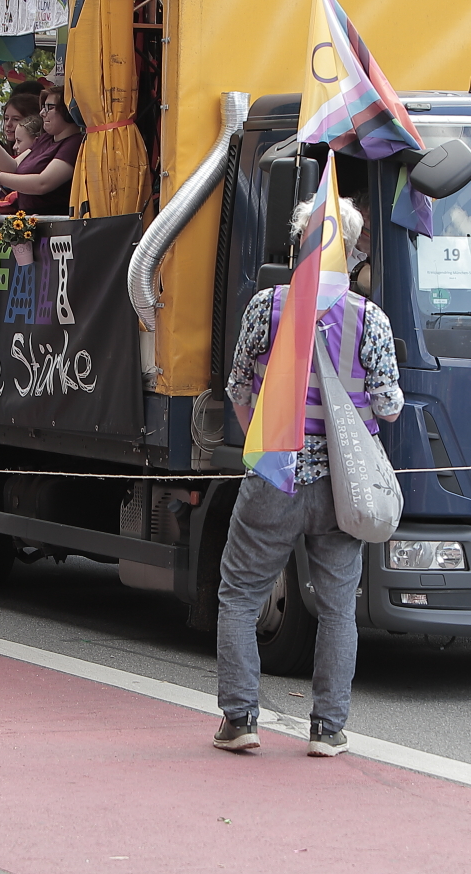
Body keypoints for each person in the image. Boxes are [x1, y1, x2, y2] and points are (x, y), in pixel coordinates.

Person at [215, 195, 404, 758]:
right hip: (342, 487)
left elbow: (238, 389)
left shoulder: (267, 306)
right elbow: (389, 406)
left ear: (301, 242)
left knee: (241, 594)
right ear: (350, 248)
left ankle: (241, 718)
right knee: (339, 606)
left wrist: (262, 441)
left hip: (274, 475)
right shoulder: (370, 318)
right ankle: (328, 729)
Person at [0, 87, 81, 215]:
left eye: (49, 107)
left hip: (56, 227)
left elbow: (43, 183)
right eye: (43, 107)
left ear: (68, 110)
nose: (42, 113)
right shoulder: (45, 139)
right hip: (31, 221)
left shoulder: (74, 143)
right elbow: (13, 167)